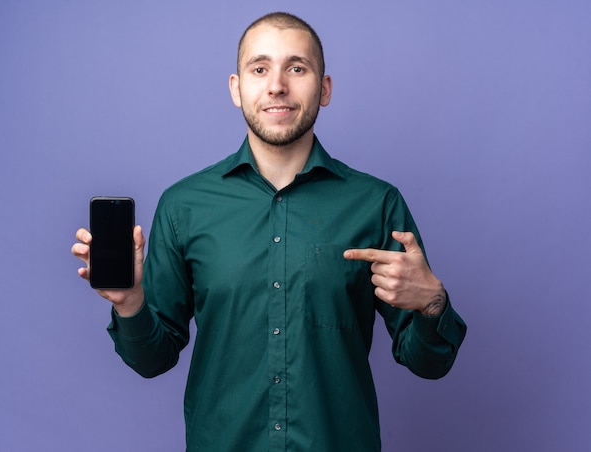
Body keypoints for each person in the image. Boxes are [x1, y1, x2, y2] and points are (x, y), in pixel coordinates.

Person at [72, 12, 466, 451]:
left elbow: (428, 363)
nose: (277, 84)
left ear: (325, 88)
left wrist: (433, 303)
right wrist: (130, 303)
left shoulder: (376, 205)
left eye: (296, 68)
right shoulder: (185, 207)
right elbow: (152, 360)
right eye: (259, 69)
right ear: (237, 89)